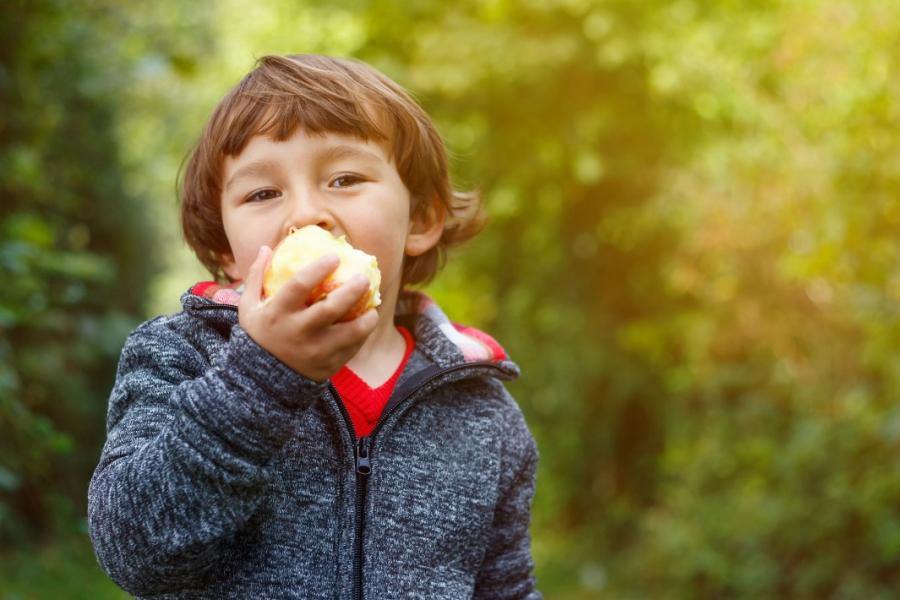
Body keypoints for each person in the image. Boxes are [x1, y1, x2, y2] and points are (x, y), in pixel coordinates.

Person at [88, 54, 540, 600]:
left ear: (420, 219)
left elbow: (506, 589)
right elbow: (132, 550)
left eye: (345, 178)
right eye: (262, 193)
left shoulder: (481, 408)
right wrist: (260, 378)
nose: (304, 214)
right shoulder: (181, 356)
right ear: (225, 249)